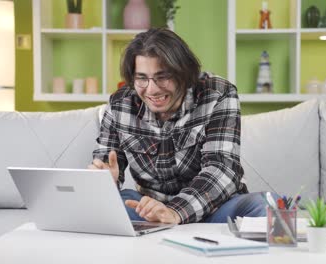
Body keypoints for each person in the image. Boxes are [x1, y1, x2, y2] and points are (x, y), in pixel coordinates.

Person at [89, 28, 266, 224]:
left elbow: (221, 169)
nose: (152, 89)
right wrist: (104, 182)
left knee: (263, 205)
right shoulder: (120, 104)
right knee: (105, 209)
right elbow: (106, 165)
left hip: (214, 207)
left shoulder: (218, 94)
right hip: (150, 211)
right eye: (141, 78)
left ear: (184, 72)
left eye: (163, 76)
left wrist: (174, 212)